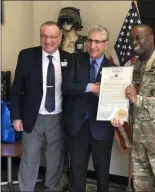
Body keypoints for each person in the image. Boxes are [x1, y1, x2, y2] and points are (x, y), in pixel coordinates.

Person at [111, 24, 155, 192]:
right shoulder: (131, 69)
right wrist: (116, 113)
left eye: (138, 38)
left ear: (151, 38)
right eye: (131, 39)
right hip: (139, 144)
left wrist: (139, 99)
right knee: (142, 189)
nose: (134, 42)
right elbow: (126, 101)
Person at [10, 21, 72, 191]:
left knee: (55, 158)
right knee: (29, 158)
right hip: (32, 116)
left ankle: (51, 188)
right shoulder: (26, 55)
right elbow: (16, 89)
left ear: (60, 38)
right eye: (44, 36)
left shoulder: (69, 58)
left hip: (58, 117)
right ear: (40, 37)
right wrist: (16, 116)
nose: (48, 40)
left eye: (52, 37)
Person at [62, 25, 114, 192]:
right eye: (90, 40)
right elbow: (65, 86)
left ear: (106, 44)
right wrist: (89, 87)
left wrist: (118, 112)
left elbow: (117, 101)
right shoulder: (75, 60)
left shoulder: (114, 70)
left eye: (98, 42)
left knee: (103, 176)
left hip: (102, 128)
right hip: (78, 127)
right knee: (76, 176)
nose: (92, 46)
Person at [57, 6, 87, 190]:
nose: (66, 24)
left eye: (69, 20)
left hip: (77, 98)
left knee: (76, 145)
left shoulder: (85, 42)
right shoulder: (55, 41)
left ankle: (75, 180)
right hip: (57, 97)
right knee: (59, 142)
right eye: (63, 20)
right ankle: (61, 176)